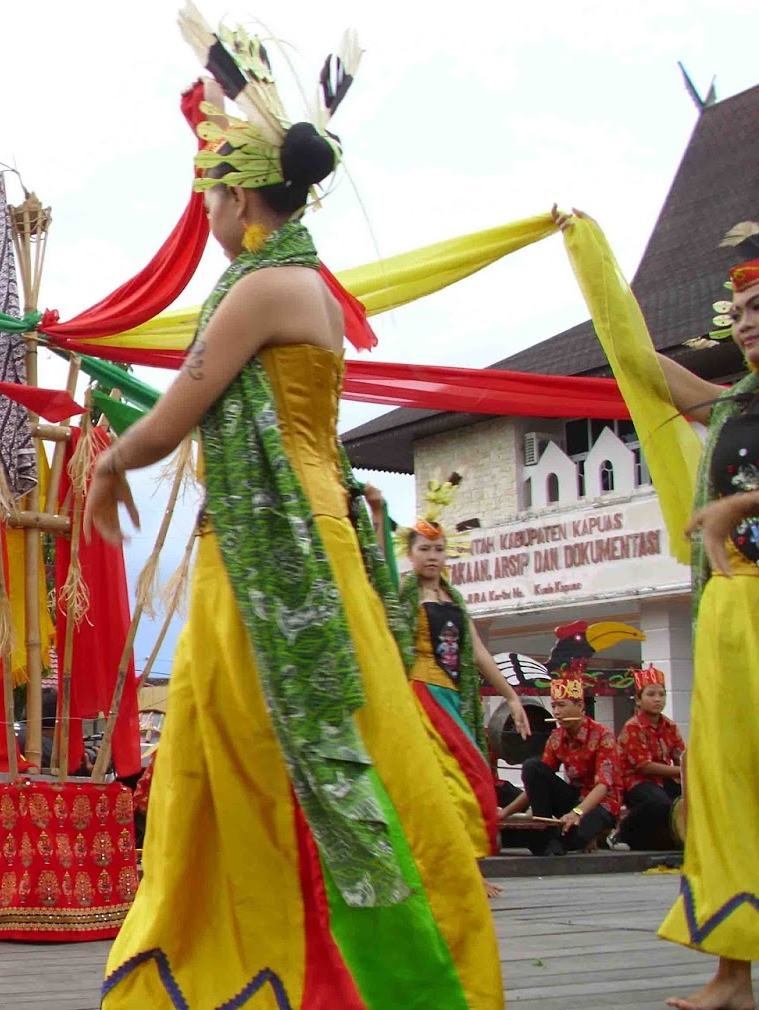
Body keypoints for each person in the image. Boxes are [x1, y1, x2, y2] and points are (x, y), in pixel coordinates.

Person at [89, 16, 502, 1008]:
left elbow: (176, 410)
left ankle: (309, 960)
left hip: (274, 550)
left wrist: (104, 463)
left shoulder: (263, 286)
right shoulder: (301, 280)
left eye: (213, 195)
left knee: (251, 744)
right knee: (297, 739)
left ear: (237, 197)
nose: (211, 214)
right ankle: (302, 950)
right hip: (299, 533)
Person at [635, 250, 759, 1010]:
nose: (749, 324)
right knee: (723, 782)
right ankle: (734, 974)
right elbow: (647, 369)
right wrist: (601, 287)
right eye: (741, 313)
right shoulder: (736, 405)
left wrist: (735, 510)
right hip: (733, 610)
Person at [370, 480, 531, 898]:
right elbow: (379, 567)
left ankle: (466, 868)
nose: (432, 556)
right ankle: (448, 873)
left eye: (438, 549)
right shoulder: (404, 596)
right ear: (411, 553)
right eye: (424, 549)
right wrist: (376, 513)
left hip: (450, 698)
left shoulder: (455, 600)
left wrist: (512, 696)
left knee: (476, 778)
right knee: (439, 786)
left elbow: (477, 652)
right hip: (418, 696)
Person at [498, 671, 620, 856]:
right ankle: (545, 832)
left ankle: (561, 839)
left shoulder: (604, 735)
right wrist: (504, 813)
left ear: (580, 706)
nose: (556, 712)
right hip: (575, 799)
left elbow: (603, 786)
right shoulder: (556, 737)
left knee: (574, 836)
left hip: (601, 804)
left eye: (561, 705)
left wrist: (577, 813)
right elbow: (537, 782)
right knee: (532, 766)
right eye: (554, 706)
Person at [614, 665, 684, 852]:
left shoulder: (670, 726)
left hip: (664, 779)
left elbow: (681, 756)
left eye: (661, 694)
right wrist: (682, 771)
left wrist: (689, 773)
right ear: (638, 699)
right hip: (634, 782)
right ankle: (622, 831)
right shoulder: (633, 726)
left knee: (689, 799)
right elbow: (643, 766)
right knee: (659, 802)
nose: (657, 699)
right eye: (651, 694)